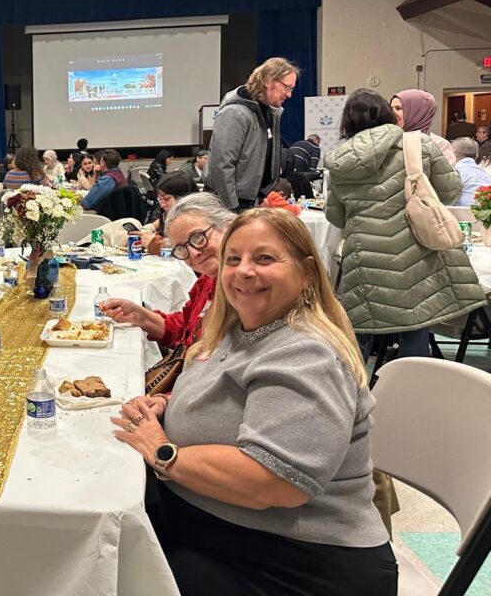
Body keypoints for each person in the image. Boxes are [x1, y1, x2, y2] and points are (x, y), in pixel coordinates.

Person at [111, 208, 397, 595]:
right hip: (221, 525)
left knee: (106, 572)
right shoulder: (239, 330)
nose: (244, 271)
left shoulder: (306, 354)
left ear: (307, 272)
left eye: (264, 259)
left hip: (291, 559)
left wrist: (162, 451)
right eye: (234, 259)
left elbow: (274, 482)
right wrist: (168, 406)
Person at [326, 90, 484, 358]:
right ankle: (413, 382)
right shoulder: (418, 144)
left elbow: (336, 216)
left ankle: (352, 383)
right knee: (415, 326)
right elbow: (449, 192)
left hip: (365, 258)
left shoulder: (340, 159)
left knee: (359, 334)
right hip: (416, 253)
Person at [104, 193, 235, 352]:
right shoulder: (208, 281)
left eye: (198, 237)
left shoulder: (247, 293)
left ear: (227, 225)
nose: (193, 253)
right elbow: (185, 329)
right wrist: (140, 316)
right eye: (181, 248)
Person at [208, 57, 298, 210]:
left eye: (291, 89)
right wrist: (232, 208)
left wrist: (262, 196)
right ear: (268, 81)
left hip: (250, 203)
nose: (289, 94)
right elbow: (221, 165)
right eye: (287, 87)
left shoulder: (268, 114)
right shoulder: (235, 113)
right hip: (231, 207)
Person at [390, 89, 455, 166]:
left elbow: (445, 173)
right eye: (391, 109)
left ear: (416, 112)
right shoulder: (388, 140)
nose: (392, 113)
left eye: (398, 108)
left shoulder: (439, 145)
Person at [141, 171, 198, 251]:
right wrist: (149, 228)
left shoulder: (196, 217)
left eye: (166, 199)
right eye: (160, 199)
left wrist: (154, 243)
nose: (162, 205)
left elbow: (186, 246)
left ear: (183, 196)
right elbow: (162, 220)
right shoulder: (170, 212)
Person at [451, 137, 491, 206]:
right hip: (484, 211)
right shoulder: (486, 175)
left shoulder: (454, 171)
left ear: (454, 152)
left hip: (460, 211)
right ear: (476, 155)